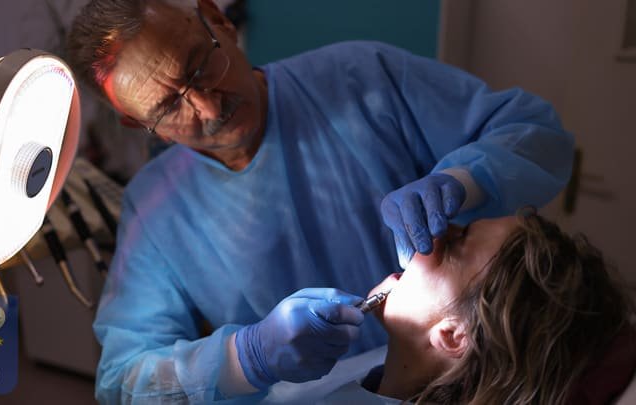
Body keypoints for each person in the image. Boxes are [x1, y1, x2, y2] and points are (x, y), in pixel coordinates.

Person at [66, 0, 575, 402]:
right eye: (169, 106)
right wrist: (247, 358)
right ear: (137, 122)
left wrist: (467, 181)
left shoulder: (363, 78)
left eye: (200, 67)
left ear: (219, 21)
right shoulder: (155, 212)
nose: (208, 105)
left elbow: (538, 135)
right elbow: (125, 381)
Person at [262, 212, 636, 404]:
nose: (431, 234)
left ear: (454, 335)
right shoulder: (379, 373)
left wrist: (244, 361)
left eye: (455, 243)